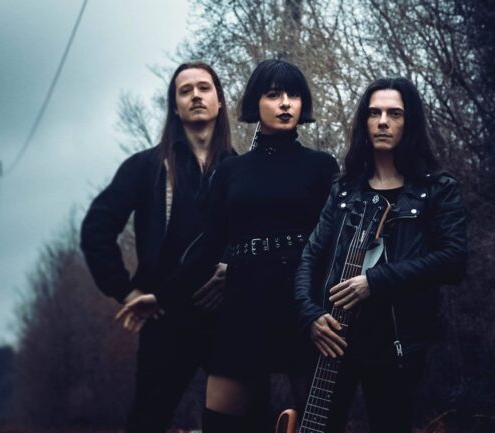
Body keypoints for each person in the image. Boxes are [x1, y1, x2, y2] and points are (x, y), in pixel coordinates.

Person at [121, 59, 340, 433]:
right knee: (222, 422)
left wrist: (327, 306)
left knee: (317, 424)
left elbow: (336, 244)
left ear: (304, 104)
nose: (285, 103)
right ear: (256, 104)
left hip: (303, 308)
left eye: (293, 95)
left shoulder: (321, 167)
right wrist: (162, 297)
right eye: (273, 95)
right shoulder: (232, 171)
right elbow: (208, 249)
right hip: (243, 310)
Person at [293, 77, 468, 433]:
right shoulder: (344, 190)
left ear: (410, 122)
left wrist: (376, 281)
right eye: (374, 113)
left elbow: (453, 260)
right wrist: (310, 315)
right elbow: (309, 258)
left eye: (394, 113)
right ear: (364, 122)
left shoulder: (437, 190)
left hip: (397, 344)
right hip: (333, 340)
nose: (383, 121)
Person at [80, 61, 235, 433]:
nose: (196, 95)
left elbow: (260, 240)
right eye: (185, 90)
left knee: (236, 422)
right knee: (148, 421)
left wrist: (234, 271)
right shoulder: (146, 167)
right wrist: (126, 289)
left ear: (220, 102)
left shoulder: (240, 170)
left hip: (225, 318)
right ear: (175, 107)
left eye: (204, 87)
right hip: (164, 317)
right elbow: (96, 229)